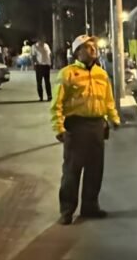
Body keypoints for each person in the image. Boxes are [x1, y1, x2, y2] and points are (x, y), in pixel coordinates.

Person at [51, 34, 120, 225]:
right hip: (76, 126)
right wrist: (58, 127)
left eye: (94, 46)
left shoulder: (101, 73)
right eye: (88, 47)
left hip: (97, 125)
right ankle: (67, 211)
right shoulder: (67, 73)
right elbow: (56, 103)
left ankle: (90, 206)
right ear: (78, 51)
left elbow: (108, 100)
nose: (93, 49)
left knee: (95, 170)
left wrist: (113, 118)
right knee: (72, 171)